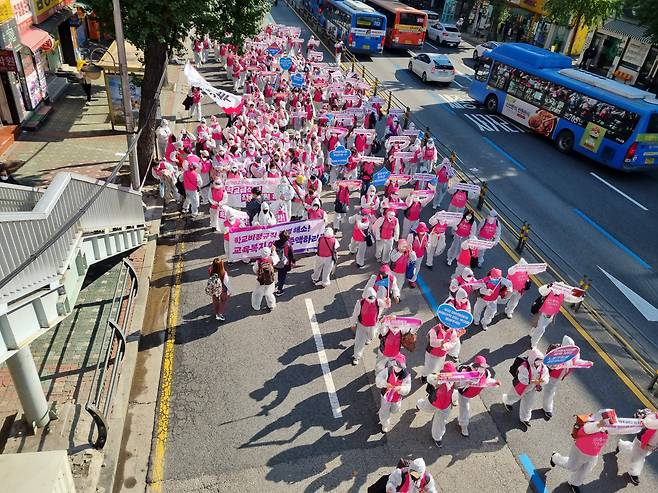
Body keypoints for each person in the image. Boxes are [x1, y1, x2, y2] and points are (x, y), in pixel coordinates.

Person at [550, 410, 627, 493]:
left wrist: (635, 425)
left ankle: (574, 483)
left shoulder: (605, 429)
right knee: (571, 466)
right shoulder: (590, 425)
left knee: (584, 472)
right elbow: (588, 429)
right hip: (579, 452)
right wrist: (599, 424)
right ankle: (555, 457)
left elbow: (619, 429)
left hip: (593, 456)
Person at [542, 336, 592, 420]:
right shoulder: (556, 351)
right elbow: (547, 362)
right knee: (539, 385)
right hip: (550, 373)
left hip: (557, 376)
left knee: (550, 391)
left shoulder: (574, 353)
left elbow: (576, 361)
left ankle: (547, 408)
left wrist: (586, 363)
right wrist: (554, 365)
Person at [502, 348, 549, 430]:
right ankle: (507, 401)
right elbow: (523, 380)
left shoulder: (543, 367)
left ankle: (525, 418)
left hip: (533, 388)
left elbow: (546, 377)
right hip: (522, 386)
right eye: (537, 360)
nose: (539, 362)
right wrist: (536, 381)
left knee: (529, 402)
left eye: (540, 360)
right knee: (514, 396)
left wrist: (541, 381)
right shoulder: (524, 367)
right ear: (533, 359)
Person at [416, 361, 457, 447]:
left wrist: (470, 382)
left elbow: (460, 385)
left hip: (445, 405)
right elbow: (429, 378)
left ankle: (437, 437)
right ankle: (419, 404)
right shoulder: (439, 378)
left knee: (441, 422)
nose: (451, 376)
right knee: (424, 407)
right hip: (434, 401)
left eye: (452, 374)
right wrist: (437, 378)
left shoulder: (454, 379)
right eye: (449, 374)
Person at [456, 355, 498, 437]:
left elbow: (487, 381)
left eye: (484, 367)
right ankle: (463, 425)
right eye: (481, 367)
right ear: (475, 366)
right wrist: (466, 382)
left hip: (472, 394)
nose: (483, 370)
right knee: (465, 409)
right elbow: (457, 384)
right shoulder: (466, 372)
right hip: (464, 395)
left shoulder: (486, 373)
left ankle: (454, 399)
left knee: (459, 401)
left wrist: (494, 382)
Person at [615, 409, 658, 485]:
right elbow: (647, 434)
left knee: (634, 451)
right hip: (643, 442)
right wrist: (644, 445)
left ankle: (621, 444)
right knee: (638, 459)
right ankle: (633, 473)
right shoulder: (655, 420)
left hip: (650, 444)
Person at [375, 355, 411, 433]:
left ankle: (385, 412)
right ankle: (385, 424)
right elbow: (378, 379)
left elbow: (408, 387)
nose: (397, 368)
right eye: (395, 365)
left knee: (395, 410)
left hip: (396, 397)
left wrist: (400, 388)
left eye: (400, 367)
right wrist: (385, 384)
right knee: (384, 411)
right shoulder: (387, 370)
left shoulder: (406, 375)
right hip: (386, 395)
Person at [350, 287, 386, 365]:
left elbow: (385, 305)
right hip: (362, 326)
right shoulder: (360, 303)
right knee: (359, 341)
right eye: (369, 298)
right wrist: (353, 324)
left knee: (372, 336)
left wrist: (387, 302)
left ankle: (368, 339)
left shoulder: (378, 301)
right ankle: (356, 357)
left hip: (373, 325)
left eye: (373, 297)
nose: (371, 299)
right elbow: (355, 314)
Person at [251, 247, 278, 311]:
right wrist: (274, 251)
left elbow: (255, 270)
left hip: (261, 280)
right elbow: (277, 259)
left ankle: (256, 306)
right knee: (269, 293)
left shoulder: (258, 262)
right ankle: (271, 305)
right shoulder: (272, 259)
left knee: (257, 294)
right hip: (270, 280)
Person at [273, 230, 295, 296]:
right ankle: (279, 290)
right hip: (285, 263)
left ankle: (278, 282)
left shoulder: (275, 243)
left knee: (279, 273)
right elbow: (291, 255)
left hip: (276, 262)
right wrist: (293, 261)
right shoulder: (288, 245)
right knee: (282, 275)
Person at [406, 222, 429, 288]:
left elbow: (428, 245)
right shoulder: (411, 236)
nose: (422, 232)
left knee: (416, 269)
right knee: (408, 267)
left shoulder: (427, 236)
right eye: (420, 231)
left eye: (423, 231)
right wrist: (410, 252)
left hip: (420, 256)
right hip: (411, 256)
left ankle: (412, 280)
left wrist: (428, 246)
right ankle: (404, 276)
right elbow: (408, 245)